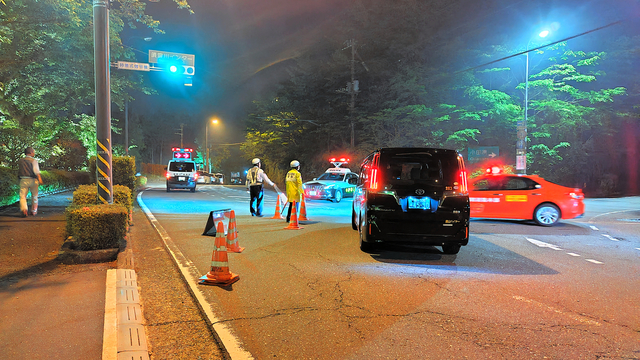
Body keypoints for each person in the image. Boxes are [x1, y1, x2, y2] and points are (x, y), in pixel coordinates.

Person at [18, 147, 43, 217]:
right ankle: (33, 211)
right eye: (33, 152)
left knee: (22, 196)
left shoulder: (21, 161)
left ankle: (24, 210)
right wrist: (40, 179)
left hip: (23, 179)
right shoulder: (33, 161)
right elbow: (36, 171)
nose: (34, 153)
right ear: (31, 152)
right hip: (33, 180)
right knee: (34, 196)